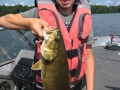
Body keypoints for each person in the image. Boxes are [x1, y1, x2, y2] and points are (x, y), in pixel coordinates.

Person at [0, 0, 95, 90]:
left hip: (75, 85)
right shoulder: (39, 12)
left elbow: (89, 56)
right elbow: (3, 20)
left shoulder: (84, 18)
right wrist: (29, 23)